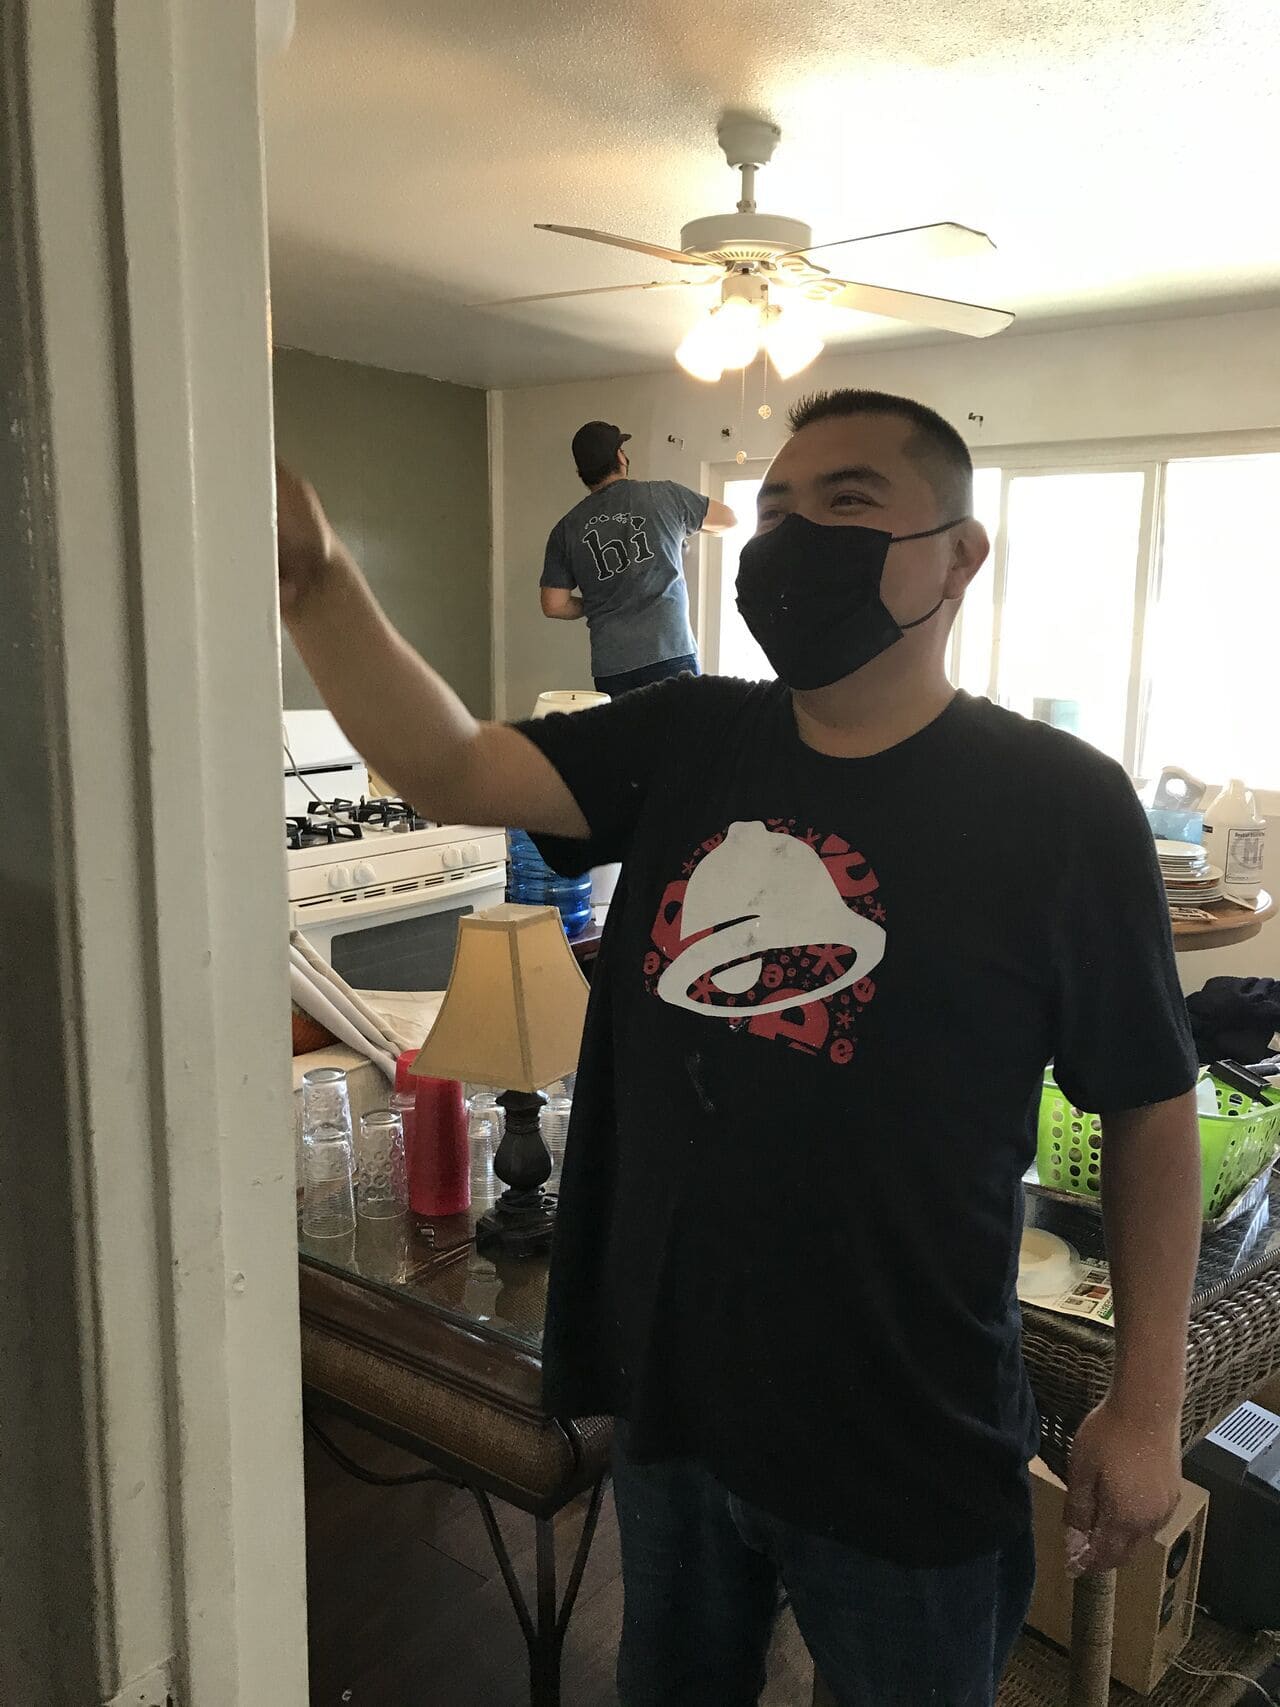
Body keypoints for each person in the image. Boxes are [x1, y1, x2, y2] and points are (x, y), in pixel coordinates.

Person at [277, 388, 1201, 1707]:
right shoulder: (689, 733)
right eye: (772, 510)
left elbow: (1150, 1104)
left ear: (957, 555)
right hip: (681, 1403)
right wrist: (316, 583)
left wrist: (1145, 1403)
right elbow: (457, 768)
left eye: (846, 500)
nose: (790, 536)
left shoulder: (1060, 804)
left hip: (908, 1433)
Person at [540, 420, 736, 695]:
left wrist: (598, 603)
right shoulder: (663, 495)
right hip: (669, 650)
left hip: (612, 665)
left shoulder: (566, 528)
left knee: (626, 726)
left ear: (581, 472)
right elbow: (728, 519)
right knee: (685, 724)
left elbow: (554, 605)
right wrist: (685, 528)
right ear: (619, 456)